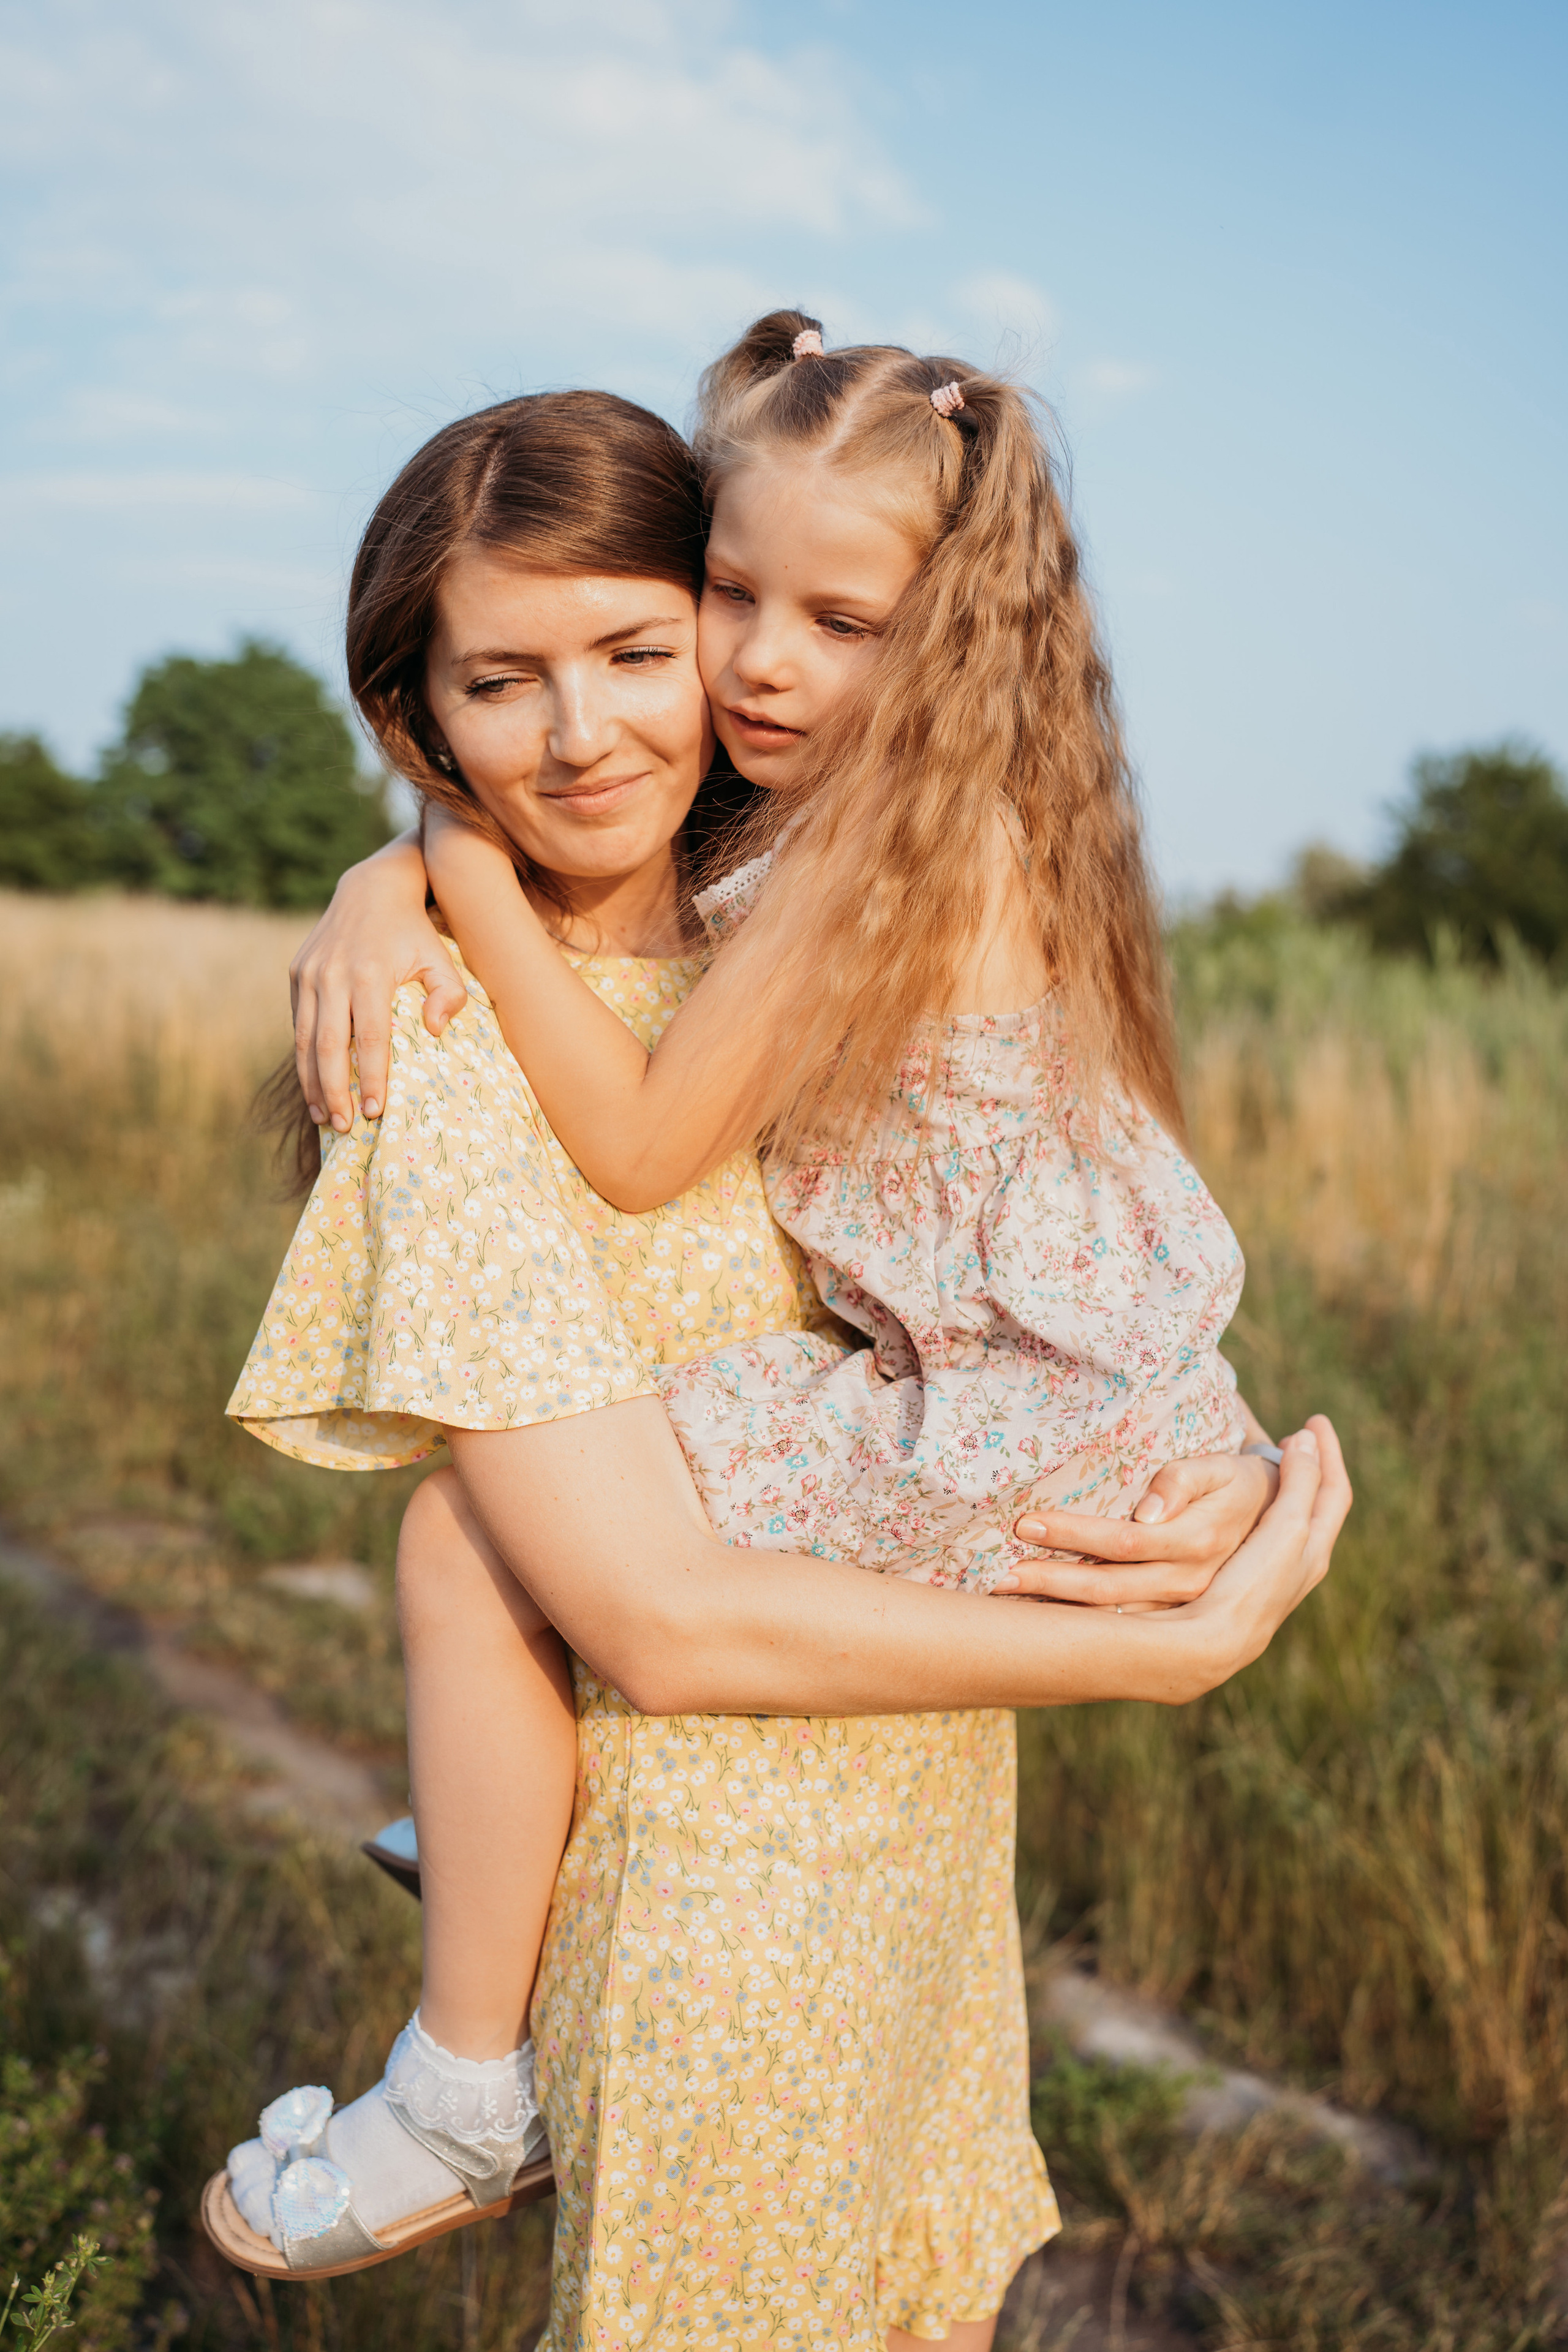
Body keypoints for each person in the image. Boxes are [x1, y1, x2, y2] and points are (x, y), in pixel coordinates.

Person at [206, 360, 1348, 2351]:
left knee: (472, 1549)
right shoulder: (765, 843)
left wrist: (447, 861)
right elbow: (668, 1613)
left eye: (828, 623)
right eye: (731, 600)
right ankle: (489, 1975)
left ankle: (479, 1961)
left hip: (967, 1566)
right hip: (764, 1833)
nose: (741, 672)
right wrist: (396, 865)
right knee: (490, 1544)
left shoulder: (854, 851)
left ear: (948, 637)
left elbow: (649, 1143)